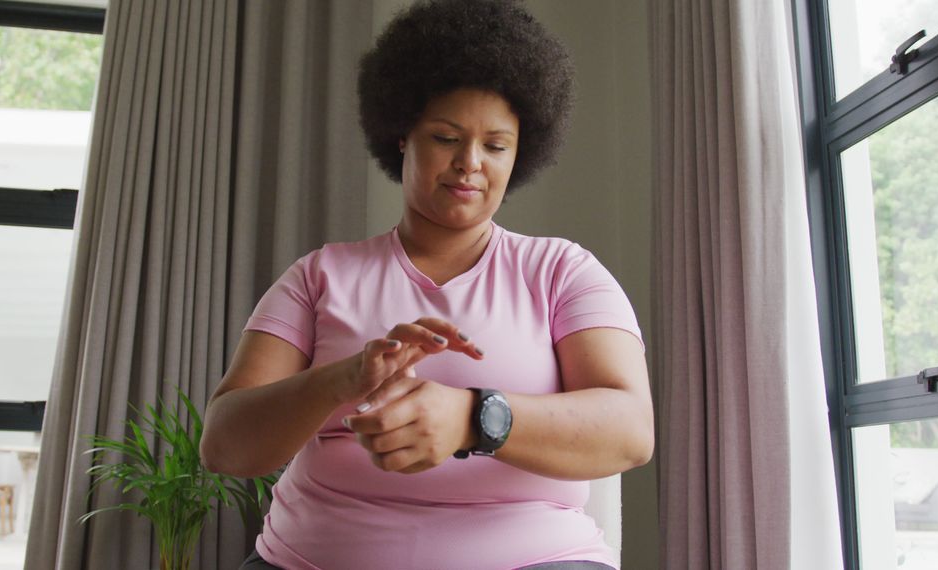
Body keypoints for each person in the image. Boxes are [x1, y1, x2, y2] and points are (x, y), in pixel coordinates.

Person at [200, 0, 653, 568]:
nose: (470, 163)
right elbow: (223, 446)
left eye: (495, 145)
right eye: (445, 137)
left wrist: (474, 417)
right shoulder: (320, 277)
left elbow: (631, 431)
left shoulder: (565, 272)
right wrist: (343, 380)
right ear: (401, 136)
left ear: (521, 155)